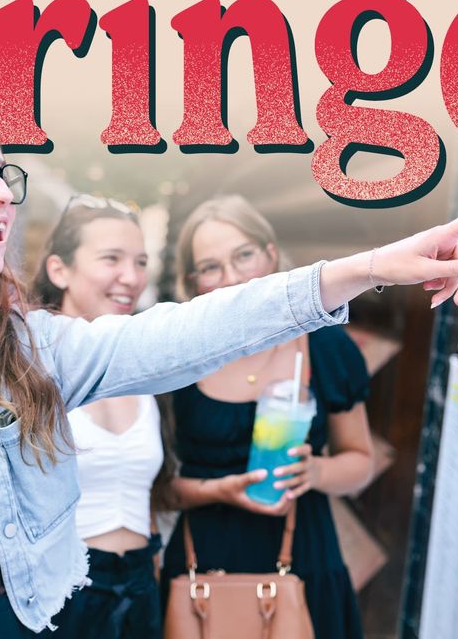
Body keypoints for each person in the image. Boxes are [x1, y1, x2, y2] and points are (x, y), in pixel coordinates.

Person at [0, 105, 458, 639]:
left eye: (5, 178)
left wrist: (370, 267)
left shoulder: (30, 350)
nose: (2, 197)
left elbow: (190, 332)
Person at [161, 196, 380, 637]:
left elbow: (360, 462)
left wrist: (316, 472)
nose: (232, 277)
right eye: (210, 267)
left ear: (271, 254)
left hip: (303, 559)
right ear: (193, 282)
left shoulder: (324, 347)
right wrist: (217, 490)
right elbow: (158, 491)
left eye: (243, 255)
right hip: (202, 562)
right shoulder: (177, 356)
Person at [32, 195, 171, 639]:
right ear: (60, 270)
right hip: (64, 593)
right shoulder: (30, 367)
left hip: (140, 588)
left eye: (140, 262)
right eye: (112, 259)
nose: (131, 277)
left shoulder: (147, 368)